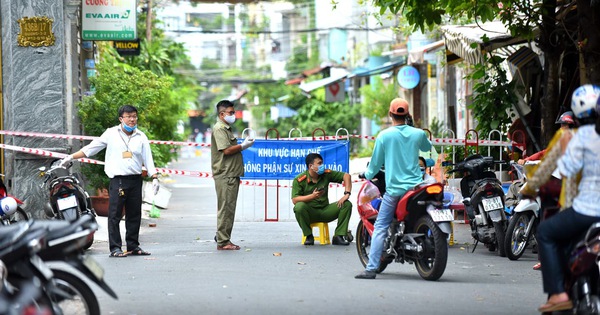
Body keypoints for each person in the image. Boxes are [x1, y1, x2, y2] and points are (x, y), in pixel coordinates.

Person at [533, 84, 600, 313]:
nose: (564, 128)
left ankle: (559, 294)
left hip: (586, 210)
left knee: (545, 232)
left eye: (567, 124)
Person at [60, 105, 159, 258]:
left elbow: (148, 159)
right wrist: (70, 157)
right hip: (118, 180)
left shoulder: (141, 136)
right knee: (115, 215)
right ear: (121, 119)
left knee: (134, 214)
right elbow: (91, 149)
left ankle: (133, 246)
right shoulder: (111, 134)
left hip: (135, 180)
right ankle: (115, 248)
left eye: (134, 116)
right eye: (128, 116)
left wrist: (154, 177)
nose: (132, 119)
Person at [355, 98, 432, 279]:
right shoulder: (418, 134)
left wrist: (367, 174)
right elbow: (428, 147)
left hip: (395, 190)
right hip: (416, 187)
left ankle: (371, 268)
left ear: (390, 114)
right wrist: (414, 128)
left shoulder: (384, 136)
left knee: (381, 226)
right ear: (407, 115)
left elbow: (374, 166)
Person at [211, 100, 254, 250]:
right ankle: (223, 242)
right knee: (226, 208)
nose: (233, 115)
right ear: (222, 114)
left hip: (230, 173)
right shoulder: (219, 129)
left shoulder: (226, 128)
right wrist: (243, 146)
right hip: (225, 174)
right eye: (230, 112)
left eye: (233, 112)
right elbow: (227, 150)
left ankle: (222, 236)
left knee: (229, 207)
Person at [291, 153, 352, 246]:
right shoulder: (299, 179)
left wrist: (347, 194)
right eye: (319, 163)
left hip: (325, 211)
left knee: (347, 204)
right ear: (311, 166)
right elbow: (295, 200)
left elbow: (346, 176)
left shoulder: (326, 174)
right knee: (299, 207)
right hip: (310, 213)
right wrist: (312, 196)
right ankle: (308, 235)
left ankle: (338, 236)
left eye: (322, 163)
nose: (322, 166)